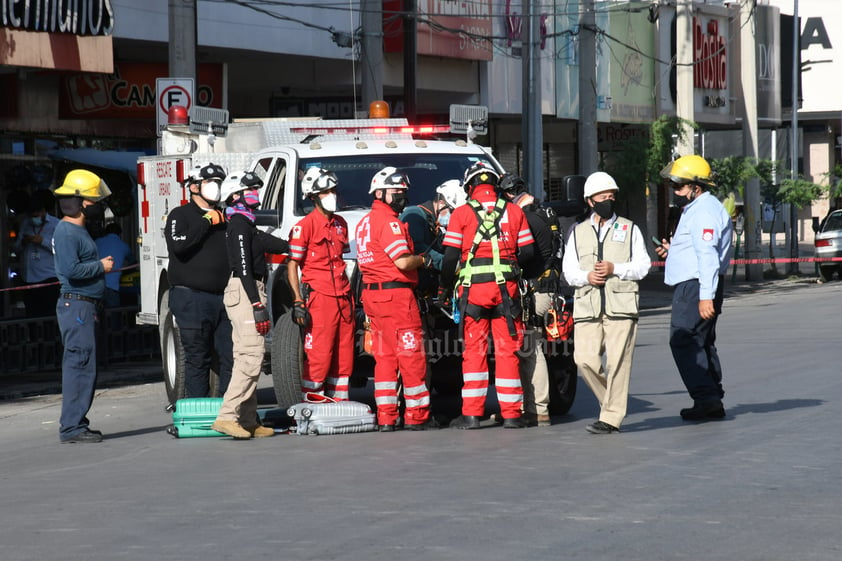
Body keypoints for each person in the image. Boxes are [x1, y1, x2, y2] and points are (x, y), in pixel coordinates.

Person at [439, 163, 535, 429]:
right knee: (507, 353)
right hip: (508, 293)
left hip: (474, 293)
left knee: (474, 353)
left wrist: (445, 287)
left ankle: (471, 415)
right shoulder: (514, 211)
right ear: (495, 184)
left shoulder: (461, 214)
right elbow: (527, 253)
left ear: (469, 187)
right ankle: (512, 415)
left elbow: (449, 258)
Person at [562, 171, 651, 434]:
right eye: (603, 197)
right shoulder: (576, 232)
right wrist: (587, 276)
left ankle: (611, 417)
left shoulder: (629, 228)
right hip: (587, 307)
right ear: (590, 201)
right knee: (584, 359)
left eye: (611, 196)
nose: (608, 200)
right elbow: (569, 272)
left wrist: (616, 268)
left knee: (617, 364)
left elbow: (643, 266)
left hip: (621, 307)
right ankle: (610, 403)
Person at [355, 166, 437, 431]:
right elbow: (402, 262)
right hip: (397, 298)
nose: (402, 195)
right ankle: (417, 416)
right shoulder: (389, 223)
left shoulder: (364, 222)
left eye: (404, 191)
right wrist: (424, 260)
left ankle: (387, 417)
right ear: (379, 193)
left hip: (373, 296)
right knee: (411, 356)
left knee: (385, 358)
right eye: (397, 191)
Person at [212, 172, 290, 439]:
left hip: (246, 290)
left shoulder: (247, 224)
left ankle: (247, 420)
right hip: (246, 291)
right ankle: (227, 416)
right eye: (251, 189)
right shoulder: (238, 225)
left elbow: (268, 243)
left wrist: (294, 246)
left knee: (244, 355)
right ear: (236, 195)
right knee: (252, 356)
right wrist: (256, 302)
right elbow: (244, 268)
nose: (256, 192)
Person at [656, 155, 733, 421]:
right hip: (698, 283)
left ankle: (706, 397)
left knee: (683, 339)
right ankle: (711, 397)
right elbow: (697, 249)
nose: (675, 192)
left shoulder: (703, 211)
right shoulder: (700, 208)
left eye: (679, 187)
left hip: (696, 286)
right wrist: (673, 251)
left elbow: (708, 254)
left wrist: (705, 296)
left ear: (695, 188)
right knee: (701, 341)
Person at [52, 169, 114, 443]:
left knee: (84, 364)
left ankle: (77, 423)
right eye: (93, 203)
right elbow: (71, 269)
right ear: (80, 204)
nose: (96, 208)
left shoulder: (75, 229)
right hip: (77, 307)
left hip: (83, 307)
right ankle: (72, 427)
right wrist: (100, 266)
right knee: (79, 364)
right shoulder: (67, 232)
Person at [164, 163, 234, 399]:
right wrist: (206, 222)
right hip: (191, 298)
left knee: (231, 354)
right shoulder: (179, 215)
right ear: (194, 186)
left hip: (224, 297)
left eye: (219, 182)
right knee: (197, 357)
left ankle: (229, 409)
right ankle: (198, 410)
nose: (216, 187)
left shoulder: (226, 216)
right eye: (210, 182)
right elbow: (179, 245)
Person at [287, 167, 354, 401]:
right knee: (319, 355)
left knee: (344, 356)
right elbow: (293, 264)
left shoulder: (341, 224)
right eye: (325, 192)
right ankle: (313, 402)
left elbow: (342, 258)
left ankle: (341, 403)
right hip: (320, 298)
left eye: (333, 190)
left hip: (344, 297)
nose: (331, 195)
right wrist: (297, 299)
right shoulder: (303, 227)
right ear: (313, 196)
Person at [498, 173, 558, 427]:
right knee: (531, 348)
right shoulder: (546, 212)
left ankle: (537, 408)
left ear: (509, 195)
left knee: (531, 349)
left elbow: (523, 254)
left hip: (536, 291)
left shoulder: (526, 218)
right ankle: (531, 406)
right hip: (548, 288)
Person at [399, 179, 465, 294]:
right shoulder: (414, 216)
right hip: (408, 287)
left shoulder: (436, 225)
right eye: (452, 212)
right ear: (441, 203)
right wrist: (447, 264)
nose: (454, 217)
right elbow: (417, 247)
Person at [15, 190, 60, 317]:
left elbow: (62, 249)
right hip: (28, 279)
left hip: (48, 279)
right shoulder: (25, 224)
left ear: (44, 211)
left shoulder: (56, 225)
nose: (35, 216)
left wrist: (43, 241)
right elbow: (16, 248)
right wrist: (23, 242)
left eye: (38, 213)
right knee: (32, 315)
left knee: (49, 315)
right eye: (32, 214)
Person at [95, 222, 134, 308]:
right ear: (119, 234)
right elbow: (132, 262)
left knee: (96, 315)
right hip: (112, 287)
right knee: (114, 314)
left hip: (96, 286)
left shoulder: (97, 242)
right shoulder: (124, 246)